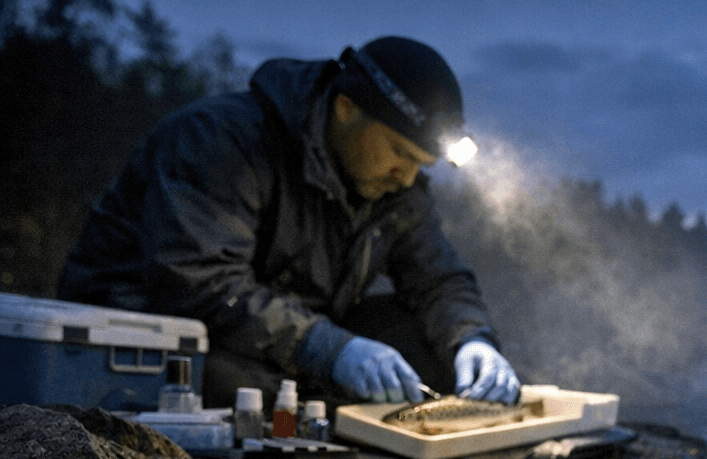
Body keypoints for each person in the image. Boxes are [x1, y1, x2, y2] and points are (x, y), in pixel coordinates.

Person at [58, 36, 519, 409]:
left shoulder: (396, 189)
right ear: (346, 109)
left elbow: (437, 278)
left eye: (421, 164)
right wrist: (331, 349)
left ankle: (361, 419)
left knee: (429, 350)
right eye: (400, 152)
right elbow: (201, 283)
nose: (407, 176)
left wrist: (472, 341)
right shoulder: (223, 140)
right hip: (145, 327)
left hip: (279, 337)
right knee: (228, 381)